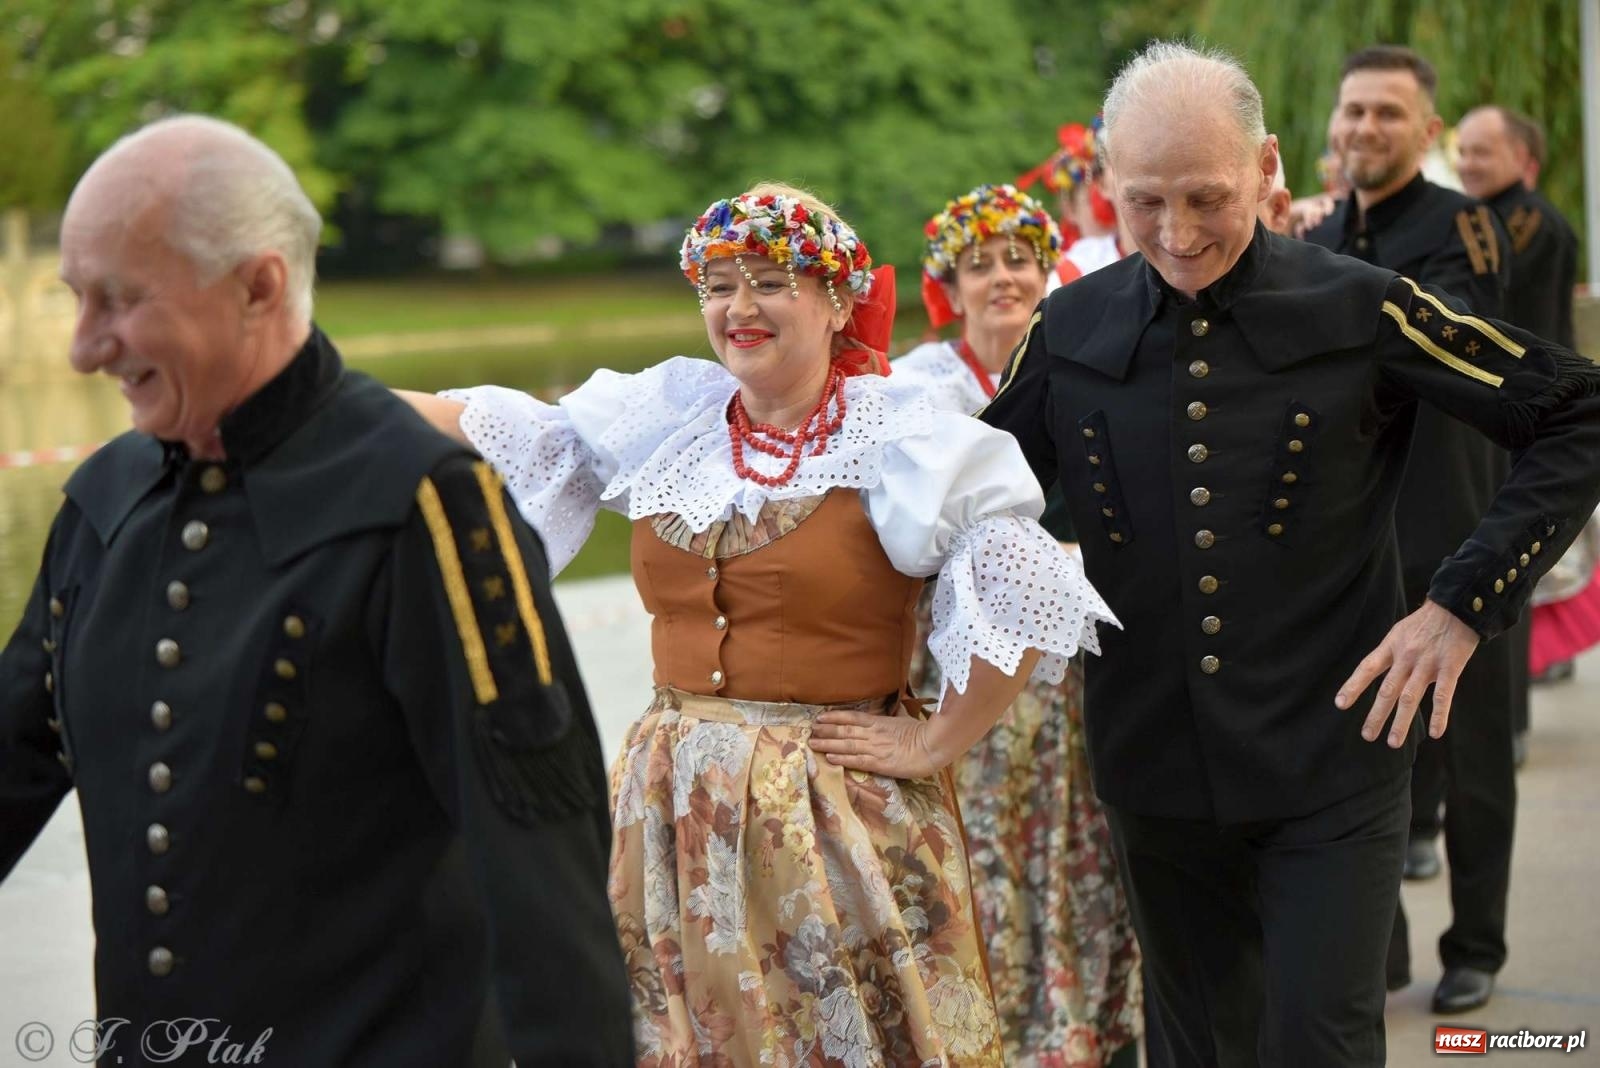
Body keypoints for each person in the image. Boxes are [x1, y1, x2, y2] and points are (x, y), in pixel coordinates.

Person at [980, 41, 1600, 1067]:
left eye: (1205, 198)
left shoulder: (1367, 305)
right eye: (1145, 203)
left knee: (1319, 1040)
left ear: (1267, 168)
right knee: (1196, 1048)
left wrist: (1459, 604)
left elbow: (1575, 410)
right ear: (1103, 180)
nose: (1176, 236)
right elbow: (968, 506)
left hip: (1334, 763)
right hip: (1151, 770)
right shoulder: (1068, 327)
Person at [403, 182, 1118, 1066]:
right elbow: (493, 425)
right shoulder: (673, 420)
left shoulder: (894, 434)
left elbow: (1024, 576)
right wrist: (329, 401)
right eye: (717, 284)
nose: (739, 306)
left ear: (837, 299)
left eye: (771, 280)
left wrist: (936, 742)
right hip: (670, 809)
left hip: (832, 822)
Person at [0, 116, 631, 1065]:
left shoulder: (428, 505)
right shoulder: (106, 501)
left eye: (121, 301)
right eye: (76, 299)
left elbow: (545, 871)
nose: (86, 348)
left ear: (260, 285)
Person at [899, 183, 1143, 1067]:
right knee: (979, 856)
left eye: (1019, 260)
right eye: (979, 264)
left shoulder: (1088, 364)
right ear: (948, 288)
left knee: (1074, 847)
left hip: (1077, 657)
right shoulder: (919, 388)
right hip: (967, 667)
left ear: (1049, 272)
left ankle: (1081, 1031)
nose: (1002, 277)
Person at [1304, 45, 1523, 1013]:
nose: (1363, 130)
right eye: (1352, 112)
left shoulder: (1463, 227)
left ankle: (1473, 944)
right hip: (1347, 547)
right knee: (1354, 760)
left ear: (1426, 131)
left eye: (1387, 114)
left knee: (1466, 762)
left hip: (1450, 531)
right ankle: (1378, 946)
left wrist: (1312, 286)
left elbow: (1447, 342)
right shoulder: (1313, 237)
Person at [1457, 104, 1591, 692]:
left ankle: (1512, 697)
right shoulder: (1490, 216)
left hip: (1532, 407)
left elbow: (1483, 301)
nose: (1467, 163)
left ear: (1524, 161)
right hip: (1517, 403)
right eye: (1463, 151)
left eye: (1482, 151)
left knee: (1516, 555)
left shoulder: (1526, 222)